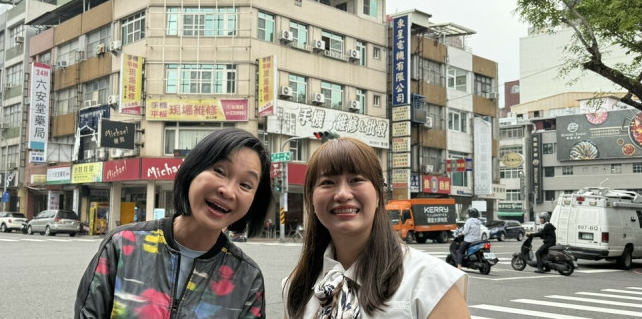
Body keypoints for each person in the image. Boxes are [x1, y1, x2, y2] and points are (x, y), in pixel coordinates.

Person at [74, 128, 273, 318]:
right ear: (193, 169)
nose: (228, 191)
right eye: (220, 171)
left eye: (246, 185)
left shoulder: (247, 278)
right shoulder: (122, 245)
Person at [283, 138, 469, 319]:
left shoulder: (431, 282)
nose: (342, 194)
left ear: (379, 194)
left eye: (356, 180)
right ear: (311, 198)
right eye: (328, 182)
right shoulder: (295, 288)